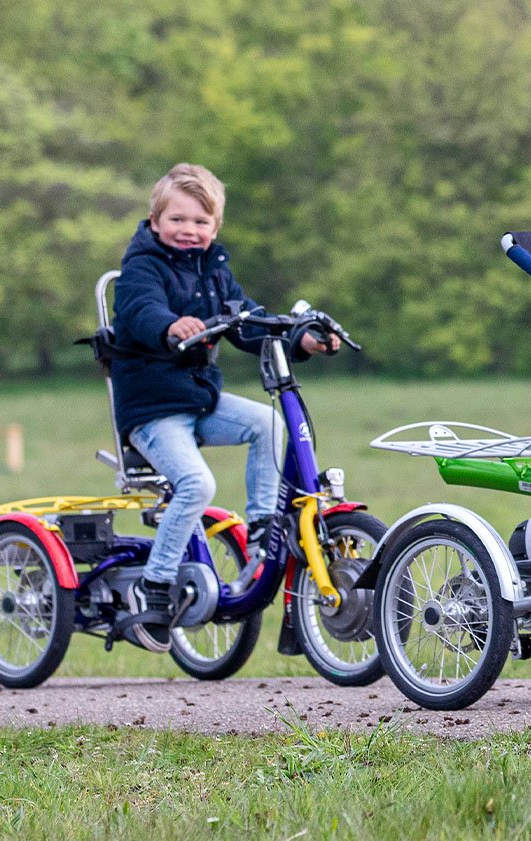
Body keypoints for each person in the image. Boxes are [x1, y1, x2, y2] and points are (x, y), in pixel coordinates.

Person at [111, 163, 336, 652]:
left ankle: (261, 532)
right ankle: (154, 590)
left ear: (215, 228)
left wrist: (303, 340)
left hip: (199, 401)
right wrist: (171, 325)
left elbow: (247, 321)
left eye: (200, 222)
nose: (188, 231)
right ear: (154, 221)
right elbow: (141, 309)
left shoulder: (215, 269)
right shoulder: (140, 268)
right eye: (177, 219)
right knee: (197, 484)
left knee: (268, 423)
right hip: (152, 411)